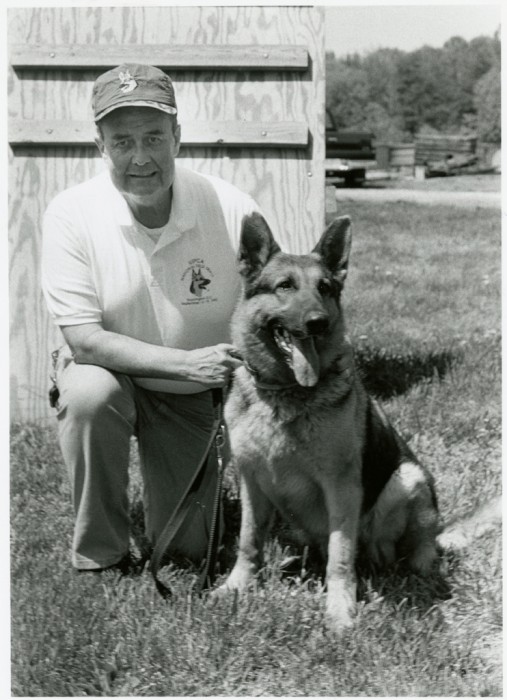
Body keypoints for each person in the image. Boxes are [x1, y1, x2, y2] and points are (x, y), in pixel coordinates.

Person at [41, 63, 260, 573]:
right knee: (88, 394)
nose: (140, 158)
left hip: (193, 398)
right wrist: (185, 364)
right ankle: (100, 555)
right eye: (123, 142)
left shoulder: (230, 207)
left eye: (154, 138)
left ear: (178, 137)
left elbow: (268, 308)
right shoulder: (70, 213)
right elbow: (85, 341)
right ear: (100, 146)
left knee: (187, 552)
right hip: (116, 376)